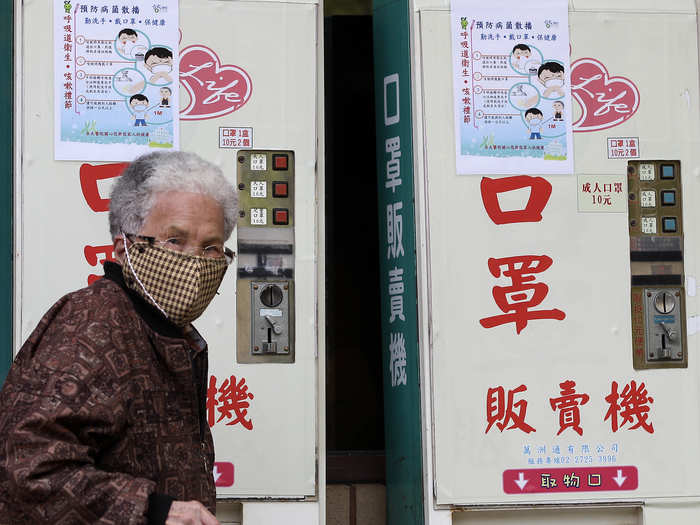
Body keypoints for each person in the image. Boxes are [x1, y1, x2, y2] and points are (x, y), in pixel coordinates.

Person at [0, 151, 238, 525]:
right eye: (175, 241)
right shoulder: (91, 325)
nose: (195, 262)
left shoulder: (166, 329)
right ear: (122, 246)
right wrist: (154, 511)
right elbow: (27, 468)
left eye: (210, 247)